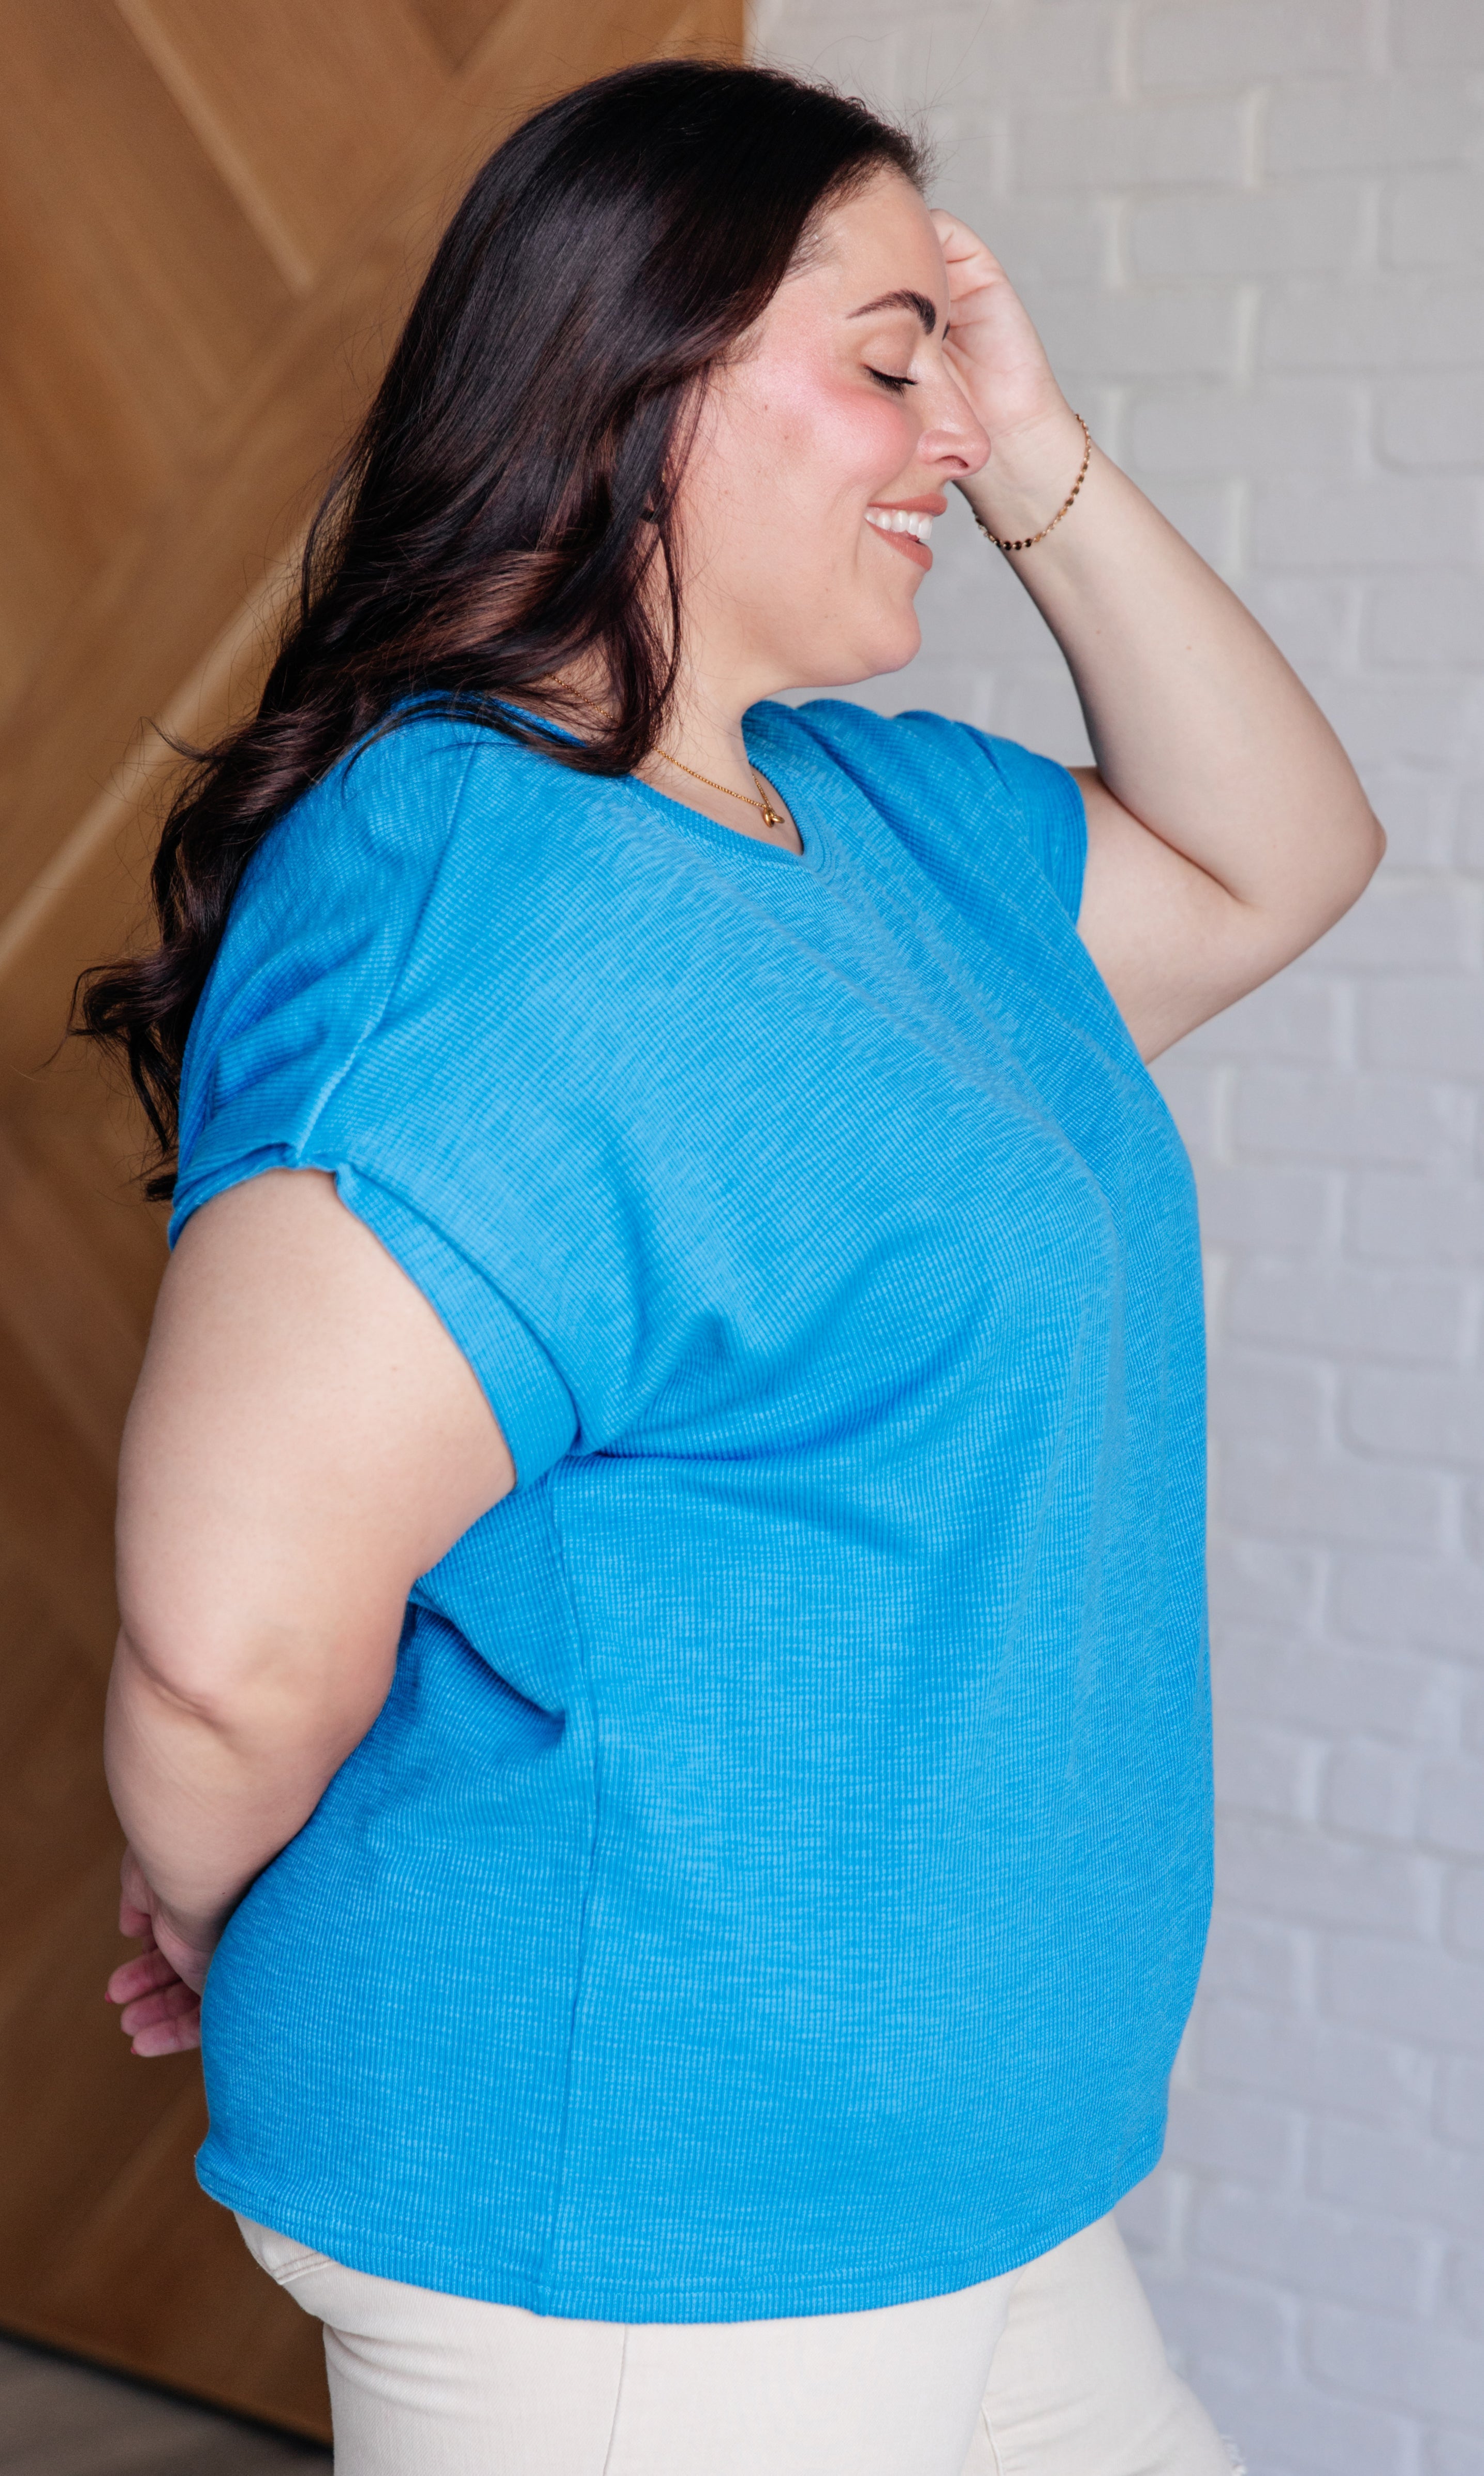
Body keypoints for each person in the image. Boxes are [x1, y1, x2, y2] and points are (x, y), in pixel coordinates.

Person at [83, 57, 1380, 2476]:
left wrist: (1035, 457)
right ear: (639, 369)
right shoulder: (479, 901)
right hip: (649, 2190)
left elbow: (1274, 859)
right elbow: (229, 1626)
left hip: (932, 2153)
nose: (936, 432)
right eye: (883, 362)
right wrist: (224, 1902)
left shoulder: (870, 827)